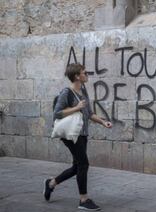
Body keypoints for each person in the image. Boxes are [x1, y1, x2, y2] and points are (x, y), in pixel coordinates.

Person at [44, 63, 112, 211]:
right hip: (70, 135)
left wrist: (103, 122)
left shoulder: (83, 91)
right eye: (84, 72)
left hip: (82, 134)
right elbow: (57, 113)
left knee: (77, 166)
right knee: (84, 164)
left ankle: (51, 183)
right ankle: (84, 199)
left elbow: (88, 113)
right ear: (77, 76)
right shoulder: (66, 92)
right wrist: (76, 108)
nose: (86, 75)